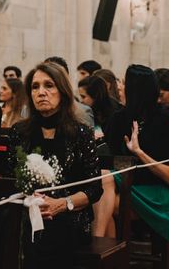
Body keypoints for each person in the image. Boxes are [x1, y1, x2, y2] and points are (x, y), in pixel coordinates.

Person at [7, 62, 103, 268]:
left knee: (52, 235)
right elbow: (12, 179)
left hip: (70, 216)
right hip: (28, 214)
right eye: (35, 87)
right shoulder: (19, 132)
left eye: (48, 85)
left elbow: (94, 189)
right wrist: (31, 200)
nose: (41, 92)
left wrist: (62, 204)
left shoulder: (81, 133)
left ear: (62, 90)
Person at [95, 65, 169, 242]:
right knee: (100, 188)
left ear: (135, 90)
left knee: (100, 202)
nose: (120, 88)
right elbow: (110, 160)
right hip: (123, 183)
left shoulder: (164, 120)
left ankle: (100, 247)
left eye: (125, 84)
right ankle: (106, 254)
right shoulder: (118, 118)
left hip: (155, 191)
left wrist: (139, 152)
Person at [78, 75, 117, 140]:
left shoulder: (114, 115)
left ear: (95, 96)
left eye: (83, 97)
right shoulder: (92, 111)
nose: (81, 101)